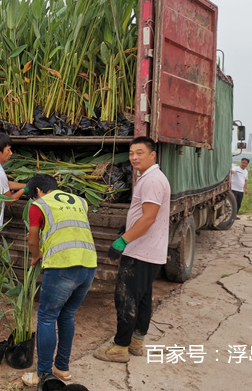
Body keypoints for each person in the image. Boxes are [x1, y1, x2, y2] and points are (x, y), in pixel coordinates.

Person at [93, 136, 170, 363]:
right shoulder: (150, 177)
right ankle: (137, 343)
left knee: (126, 298)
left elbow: (148, 219)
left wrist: (123, 241)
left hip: (141, 251)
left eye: (140, 153)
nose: (134, 158)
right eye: (131, 154)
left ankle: (120, 348)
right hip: (149, 251)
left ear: (152, 155)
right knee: (143, 298)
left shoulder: (152, 180)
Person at [21, 174, 97, 388]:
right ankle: (62, 368)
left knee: (46, 317)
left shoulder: (39, 205)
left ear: (37, 191)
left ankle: (43, 374)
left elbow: (32, 237)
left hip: (62, 266)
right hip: (88, 265)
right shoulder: (81, 202)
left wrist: (35, 255)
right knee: (67, 315)